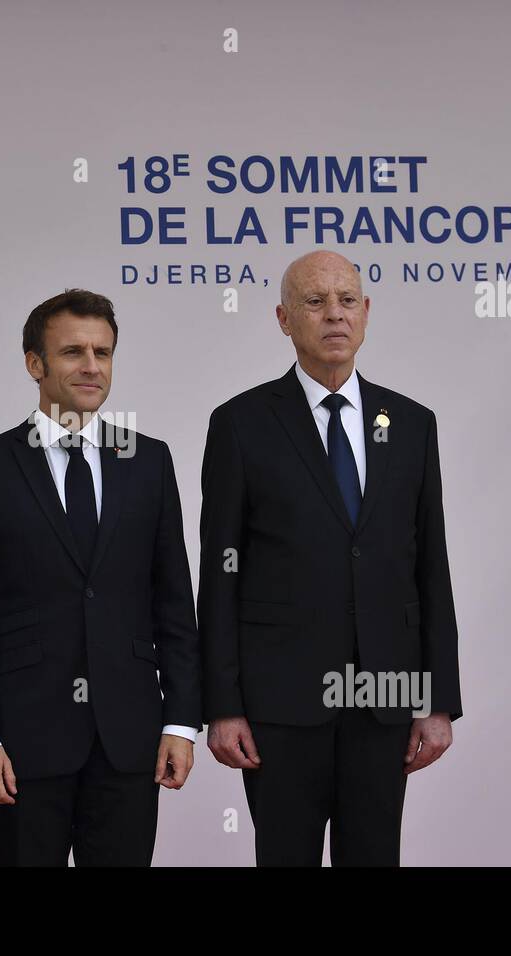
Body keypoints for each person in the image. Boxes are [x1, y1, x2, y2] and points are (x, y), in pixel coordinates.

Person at [199, 251, 463, 866]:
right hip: (278, 704)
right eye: (314, 302)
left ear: (366, 313)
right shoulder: (240, 424)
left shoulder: (414, 425)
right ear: (284, 319)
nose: (334, 315)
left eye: (347, 300)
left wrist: (438, 698)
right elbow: (220, 572)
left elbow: (431, 568)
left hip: (385, 694)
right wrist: (223, 703)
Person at [0, 289, 201, 866]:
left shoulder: (150, 461)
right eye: (73, 352)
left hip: (129, 734)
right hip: (21, 741)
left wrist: (182, 719)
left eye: (103, 353)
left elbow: (175, 602)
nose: (91, 367)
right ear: (35, 364)